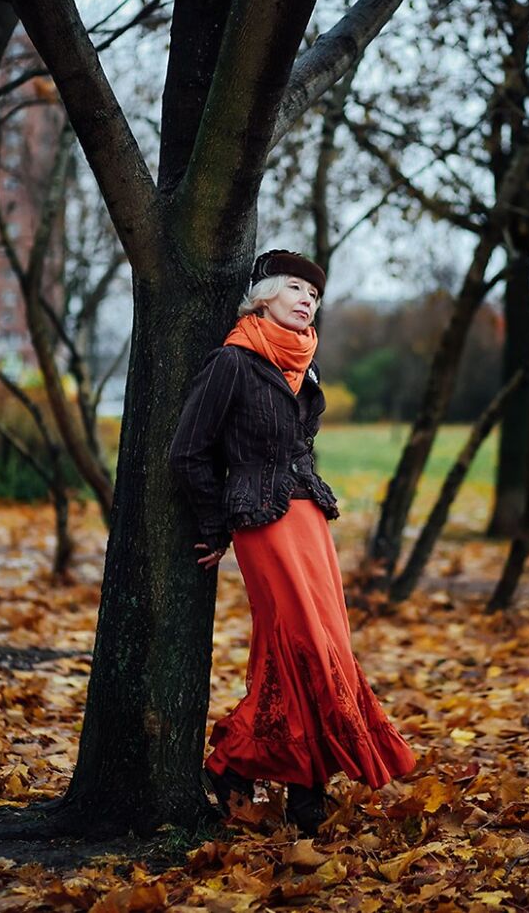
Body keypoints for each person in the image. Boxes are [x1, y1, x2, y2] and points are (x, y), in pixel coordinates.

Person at [170, 250, 415, 834]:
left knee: (324, 649)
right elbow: (188, 452)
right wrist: (214, 527)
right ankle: (234, 765)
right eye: (297, 289)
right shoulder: (233, 361)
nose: (308, 301)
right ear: (265, 295)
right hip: (263, 523)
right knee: (300, 646)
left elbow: (298, 449)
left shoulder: (307, 365)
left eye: (315, 295)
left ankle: (306, 789)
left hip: (310, 523)